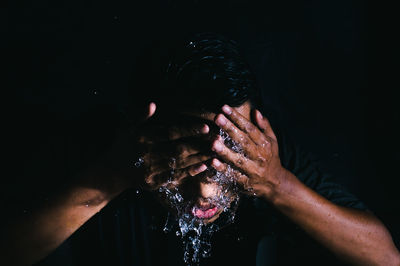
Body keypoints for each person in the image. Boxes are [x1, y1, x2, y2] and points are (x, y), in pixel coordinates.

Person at [1, 33, 399, 266]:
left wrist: (278, 184)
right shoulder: (106, 151)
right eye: (186, 153)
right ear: (144, 128)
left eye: (225, 152)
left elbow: (386, 258)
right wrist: (113, 176)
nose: (207, 191)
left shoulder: (264, 163)